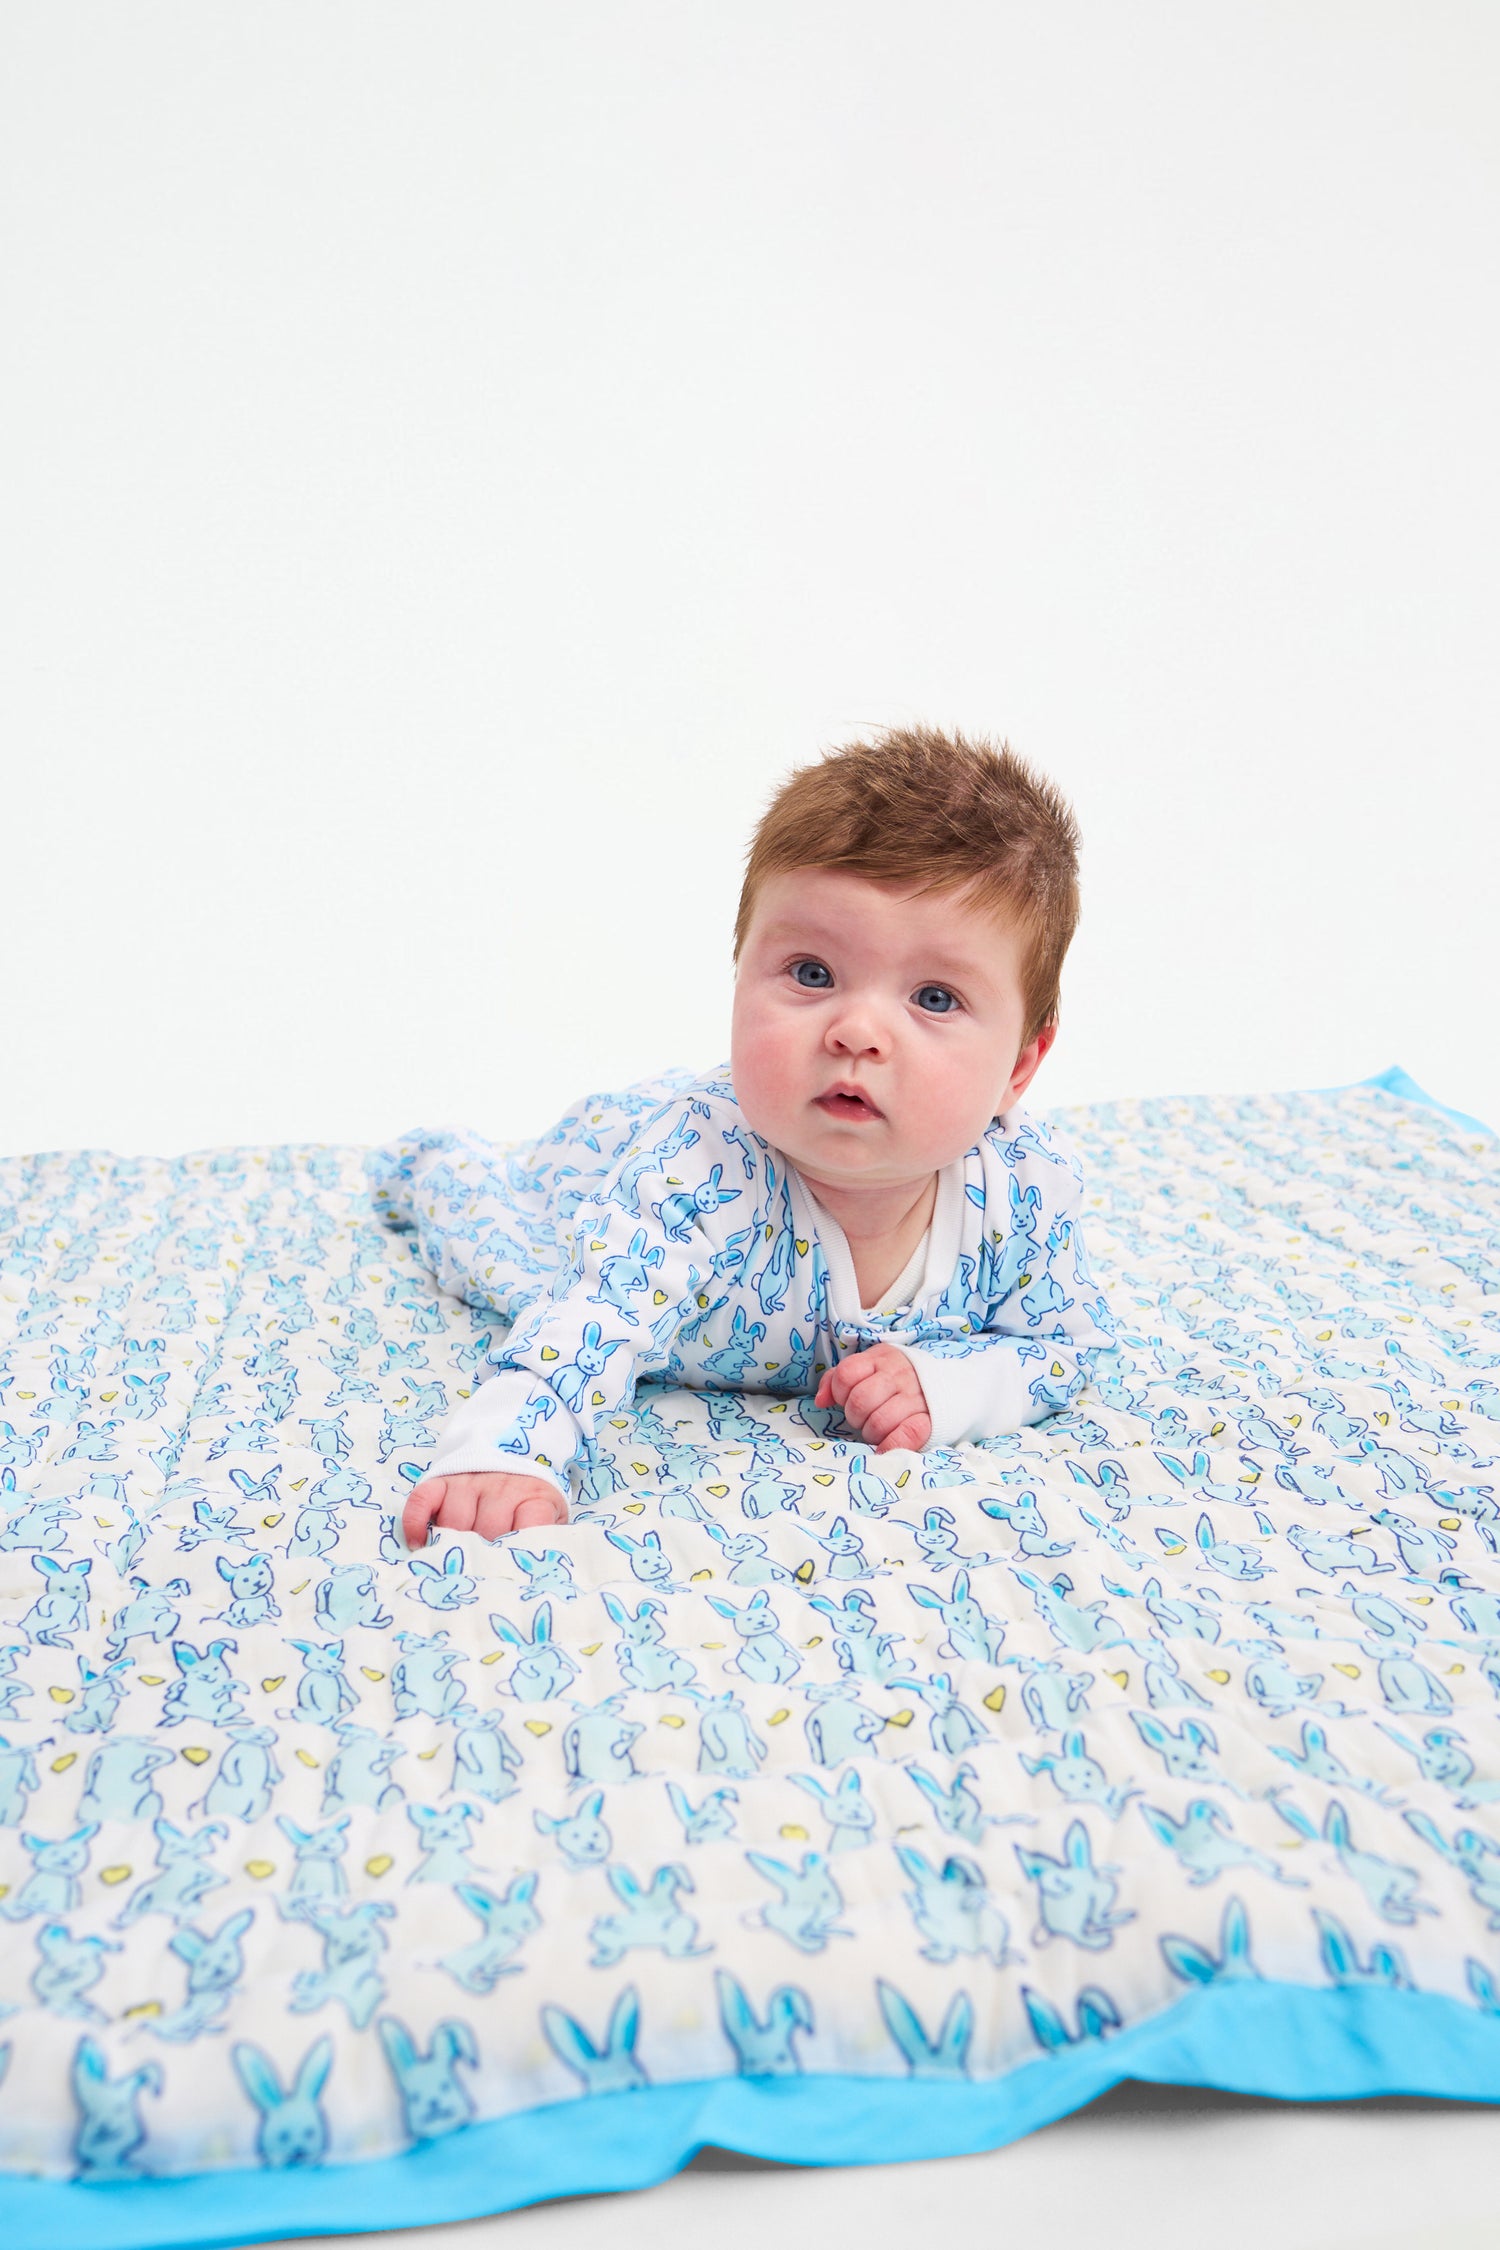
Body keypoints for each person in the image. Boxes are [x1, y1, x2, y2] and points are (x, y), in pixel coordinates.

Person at [372, 723, 1118, 1549]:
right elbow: (591, 1319)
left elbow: (1065, 1349)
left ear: (1021, 1065)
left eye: (934, 998)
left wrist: (951, 1385)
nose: (857, 1031)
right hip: (599, 1167)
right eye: (812, 974)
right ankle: (442, 1159)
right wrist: (506, 1451)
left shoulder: (1024, 1194)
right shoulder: (695, 1171)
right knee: (491, 1234)